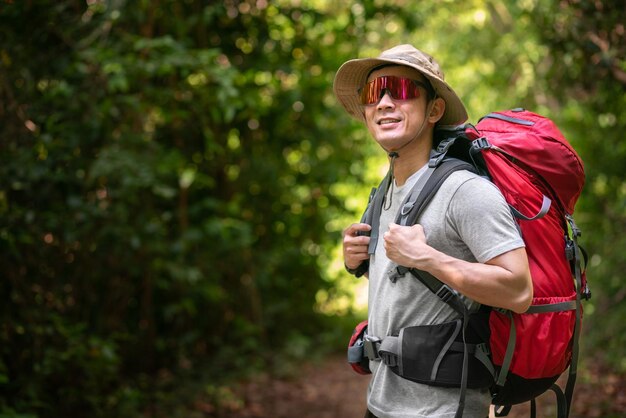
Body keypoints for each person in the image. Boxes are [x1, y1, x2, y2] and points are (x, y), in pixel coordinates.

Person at [334, 44, 533, 418]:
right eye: (374, 93)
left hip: (442, 409)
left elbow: (519, 290)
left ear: (434, 110)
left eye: (402, 90)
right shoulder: (385, 192)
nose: (386, 102)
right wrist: (355, 261)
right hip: (380, 403)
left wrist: (428, 257)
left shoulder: (465, 191)